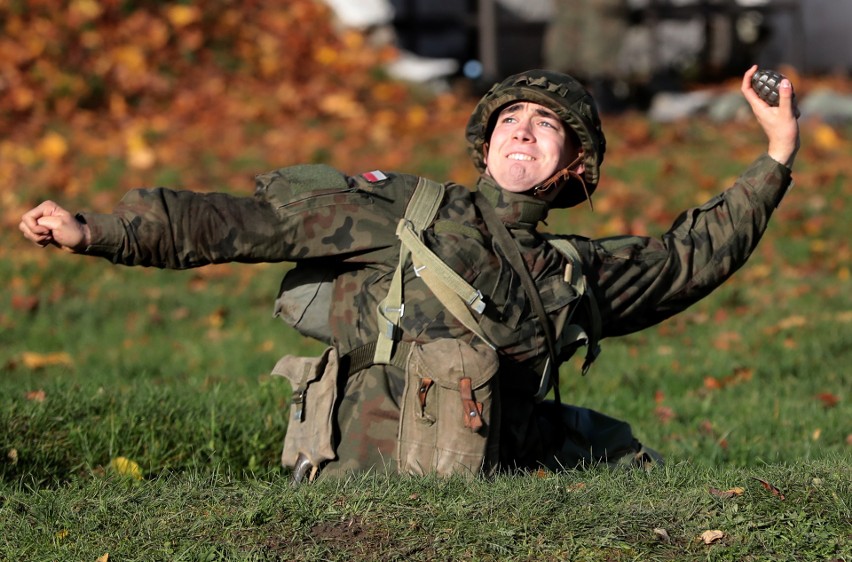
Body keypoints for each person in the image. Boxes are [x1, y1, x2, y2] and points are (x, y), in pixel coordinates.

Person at [19, 65, 799, 481]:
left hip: (489, 481)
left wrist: (776, 156)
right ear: (486, 145)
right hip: (368, 480)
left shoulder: (571, 270)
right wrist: (101, 231)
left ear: (574, 166)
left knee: (627, 461)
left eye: (546, 125)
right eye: (508, 122)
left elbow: (687, 259)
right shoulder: (404, 212)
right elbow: (244, 223)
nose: (522, 133)